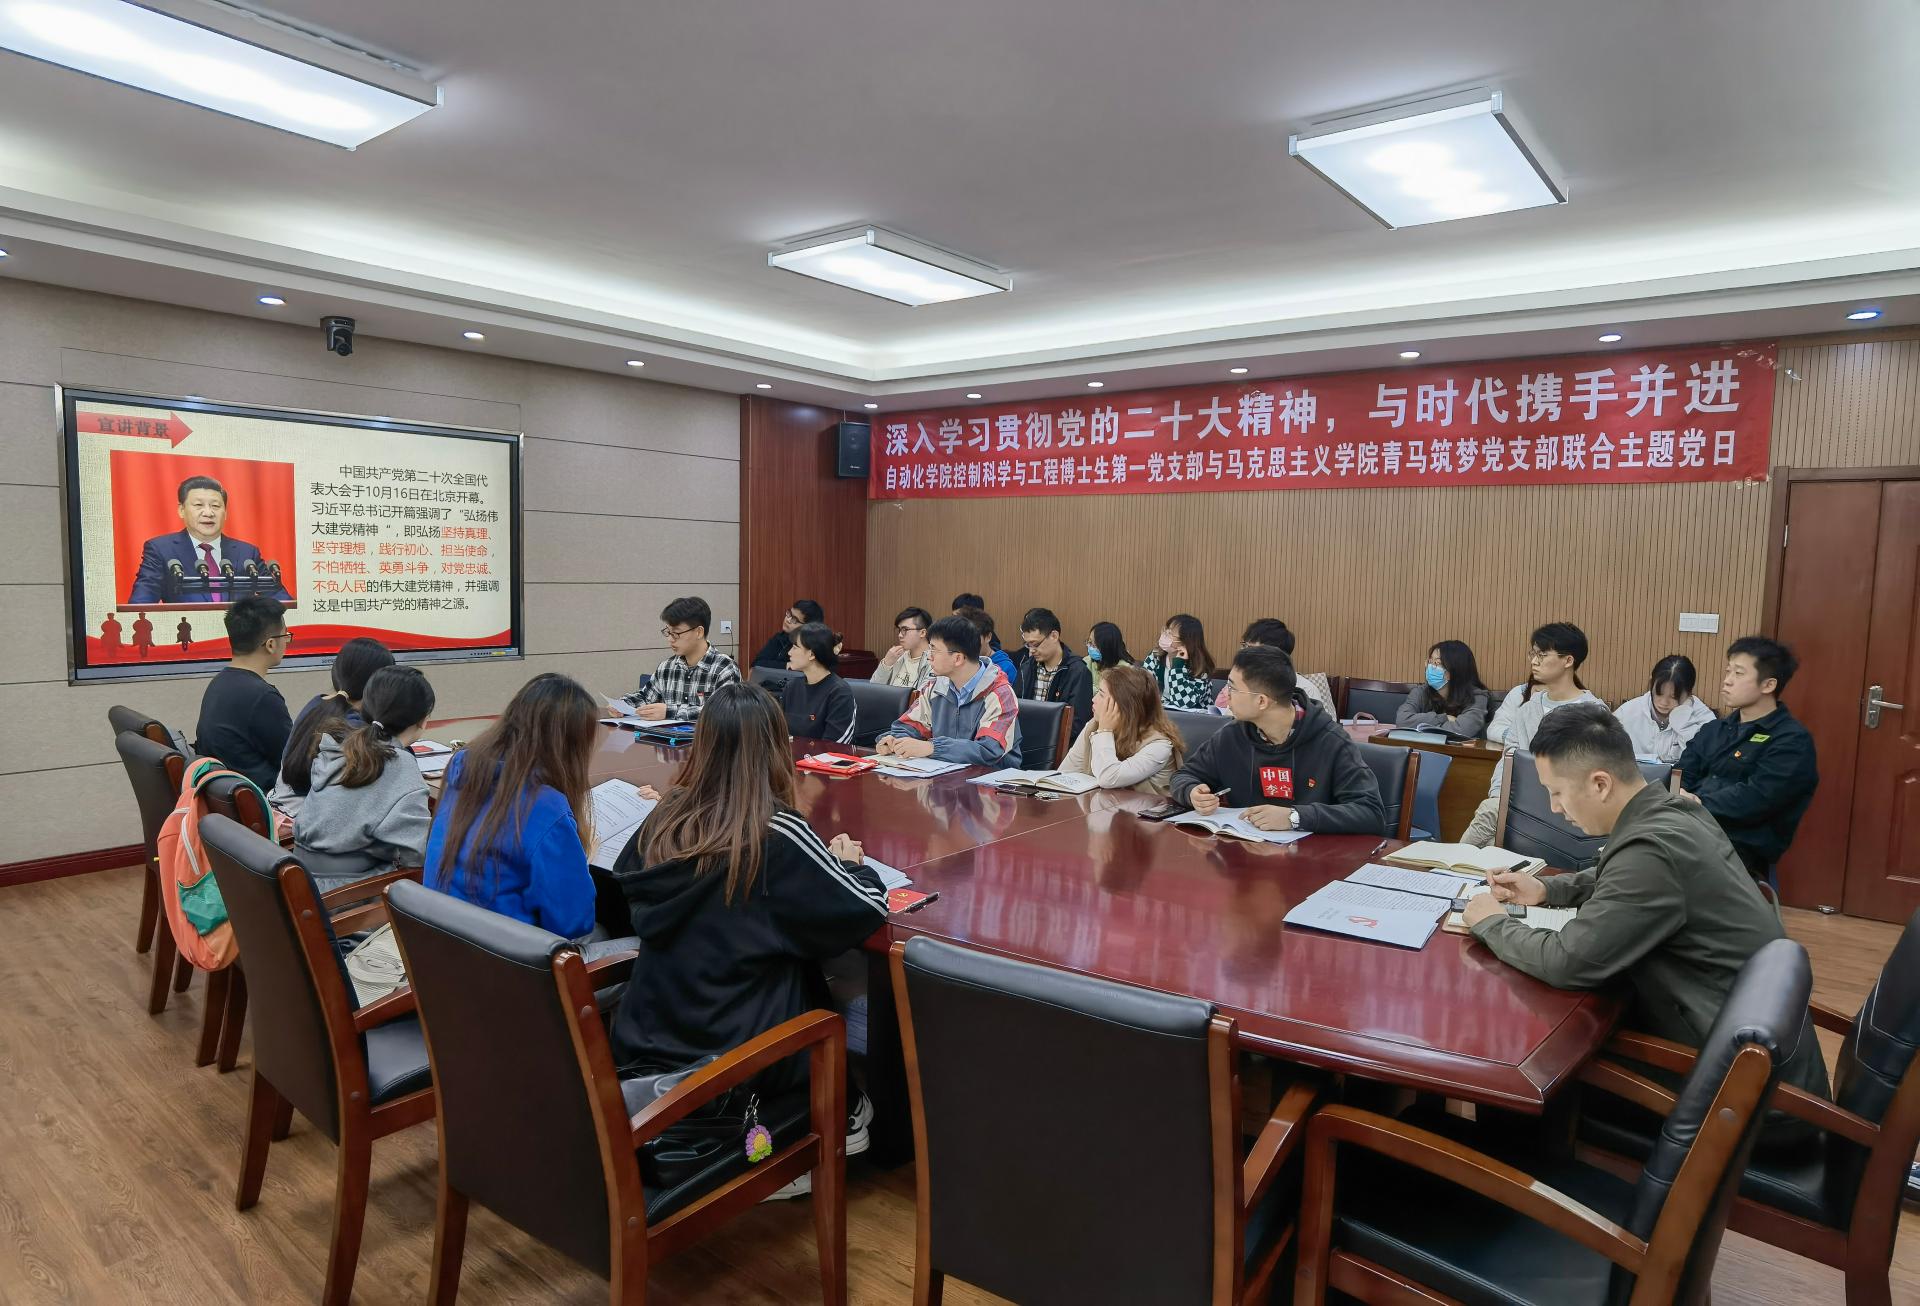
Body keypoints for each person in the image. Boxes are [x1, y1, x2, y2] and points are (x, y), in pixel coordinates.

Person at [1462, 704, 1830, 1119]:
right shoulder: (1676, 810)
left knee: (1524, 1066)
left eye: (1557, 792)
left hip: (1735, 1100)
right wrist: (1547, 888)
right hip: (1751, 1060)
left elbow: (1568, 961)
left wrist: (1491, 922)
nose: (1554, 808)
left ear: (1600, 783)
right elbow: (1621, 876)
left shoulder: (1651, 848)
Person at [606, 682, 887, 1196]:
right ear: (777, 749)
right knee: (822, 982)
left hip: (650, 1033)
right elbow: (863, 909)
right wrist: (853, 866)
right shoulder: (776, 833)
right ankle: (824, 1120)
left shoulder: (666, 815)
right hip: (737, 1054)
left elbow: (628, 889)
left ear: (702, 744)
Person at [424, 672, 600, 937]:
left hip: (440, 941)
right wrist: (582, 861)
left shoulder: (463, 770)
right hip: (504, 954)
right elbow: (573, 923)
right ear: (571, 746)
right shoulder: (545, 807)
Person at [1171, 646, 1385, 834]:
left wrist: (1295, 817)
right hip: (1244, 852)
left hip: (1311, 859)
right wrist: (1192, 792)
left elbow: (1370, 813)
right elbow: (1185, 775)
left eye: (1233, 688)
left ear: (1261, 701)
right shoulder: (1232, 735)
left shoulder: (1331, 741)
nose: (1226, 695)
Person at [1676, 637, 1819, 885]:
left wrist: (1697, 802)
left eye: (1739, 673)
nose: (1727, 680)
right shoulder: (1714, 729)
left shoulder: (1791, 741)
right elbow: (1681, 773)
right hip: (1688, 831)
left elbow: (1757, 799)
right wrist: (1677, 795)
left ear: (1768, 685)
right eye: (1728, 671)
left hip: (1737, 850)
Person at [292, 665, 435, 890]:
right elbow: (417, 857)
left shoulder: (341, 745)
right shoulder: (400, 764)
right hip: (349, 894)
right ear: (423, 720)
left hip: (301, 881)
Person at [1462, 621, 1605, 846]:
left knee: (1489, 815)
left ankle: (1449, 863)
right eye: (1533, 654)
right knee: (1490, 832)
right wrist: (1499, 795)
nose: (1534, 661)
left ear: (1568, 661)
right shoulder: (1528, 708)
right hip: (1520, 803)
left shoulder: (1594, 713)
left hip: (1567, 809)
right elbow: (1508, 759)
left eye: (1542, 655)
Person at [275, 637, 397, 815]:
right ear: (379, 686)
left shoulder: (317, 703)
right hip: (305, 816)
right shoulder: (354, 726)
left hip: (284, 804)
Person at [877, 614, 1021, 766]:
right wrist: (895, 741)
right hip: (942, 773)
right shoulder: (935, 688)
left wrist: (933, 748)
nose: (929, 657)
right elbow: (910, 726)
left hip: (991, 777)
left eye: (934, 650)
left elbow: (988, 750)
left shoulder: (1000, 694)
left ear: (958, 658)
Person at [128, 475, 291, 604]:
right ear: (181, 510)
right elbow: (141, 603)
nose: (208, 513)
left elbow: (281, 599)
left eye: (215, 506)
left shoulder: (247, 553)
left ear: (225, 513)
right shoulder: (161, 550)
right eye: (198, 505)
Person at [192, 596, 293, 794]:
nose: (287, 642)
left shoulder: (219, 683)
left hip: (226, 799)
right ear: (271, 644)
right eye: (286, 636)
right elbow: (294, 763)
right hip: (264, 800)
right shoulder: (263, 697)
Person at [1058, 665, 1186, 794]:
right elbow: (1064, 775)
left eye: (1101, 695)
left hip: (1145, 807)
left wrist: (1104, 732)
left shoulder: (1159, 745)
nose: (1093, 699)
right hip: (1102, 804)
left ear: (1124, 705)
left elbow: (1109, 778)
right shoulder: (1094, 725)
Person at [628, 595, 740, 721]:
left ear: (699, 632)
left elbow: (725, 712)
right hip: (663, 735)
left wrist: (669, 712)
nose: (670, 639)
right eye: (668, 632)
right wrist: (621, 706)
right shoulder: (666, 667)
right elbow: (645, 698)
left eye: (676, 633)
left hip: (706, 734)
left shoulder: (725, 668)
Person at [1211, 618, 1334, 718]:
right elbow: (1228, 722)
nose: (1242, 652)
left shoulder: (1307, 690)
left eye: (1249, 648)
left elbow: (1320, 732)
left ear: (1274, 654)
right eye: (1243, 646)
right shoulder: (1240, 682)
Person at [1614, 655, 1716, 763]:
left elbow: (1706, 760)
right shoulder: (1626, 713)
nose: (1664, 702)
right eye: (1659, 693)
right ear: (1651, 683)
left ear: (1688, 693)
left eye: (1673, 697)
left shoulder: (1705, 719)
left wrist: (1683, 721)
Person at [1014, 606, 1094, 741]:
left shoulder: (1078, 672)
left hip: (1059, 746)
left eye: (1035, 644)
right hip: (1024, 742)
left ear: (1054, 636)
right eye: (1028, 645)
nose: (1031, 650)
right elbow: (1013, 709)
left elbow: (1077, 724)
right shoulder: (1026, 669)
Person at [1396, 640, 1493, 737]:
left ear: (1455, 670)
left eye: (1437, 663)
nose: (1430, 667)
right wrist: (1444, 718)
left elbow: (1463, 730)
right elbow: (1402, 720)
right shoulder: (1421, 691)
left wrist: (1422, 727)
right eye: (1430, 661)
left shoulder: (1477, 697)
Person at [780, 621, 857, 744]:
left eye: (795, 647)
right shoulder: (792, 687)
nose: (789, 653)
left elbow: (835, 745)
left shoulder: (840, 693)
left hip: (825, 756)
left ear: (811, 654)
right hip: (792, 755)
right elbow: (779, 732)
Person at [1142, 613, 1219, 712]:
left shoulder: (1200, 667)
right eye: (1166, 630)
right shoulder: (1156, 655)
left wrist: (1177, 666)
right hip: (1165, 713)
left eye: (1170, 633)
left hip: (1196, 717)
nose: (1165, 635)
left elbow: (1182, 702)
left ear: (1186, 641)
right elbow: (1143, 687)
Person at [872, 606, 935, 690]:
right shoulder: (897, 656)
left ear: (923, 633)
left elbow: (925, 695)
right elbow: (873, 689)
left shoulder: (934, 661)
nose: (900, 635)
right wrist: (886, 664)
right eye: (899, 630)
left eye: (905, 629)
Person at [751, 598, 824, 670]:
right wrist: (787, 665)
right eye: (789, 614)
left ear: (808, 627)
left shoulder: (811, 649)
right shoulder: (780, 638)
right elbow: (756, 664)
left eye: (794, 619)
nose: (787, 620)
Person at [957, 606, 1020, 684]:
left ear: (988, 637)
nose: (968, 645)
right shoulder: (960, 663)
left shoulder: (1005, 667)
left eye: (973, 638)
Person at [1085, 621, 1133, 695]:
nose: (1089, 647)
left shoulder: (1124, 671)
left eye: (1093, 645)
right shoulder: (1087, 661)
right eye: (1089, 642)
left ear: (1107, 647)